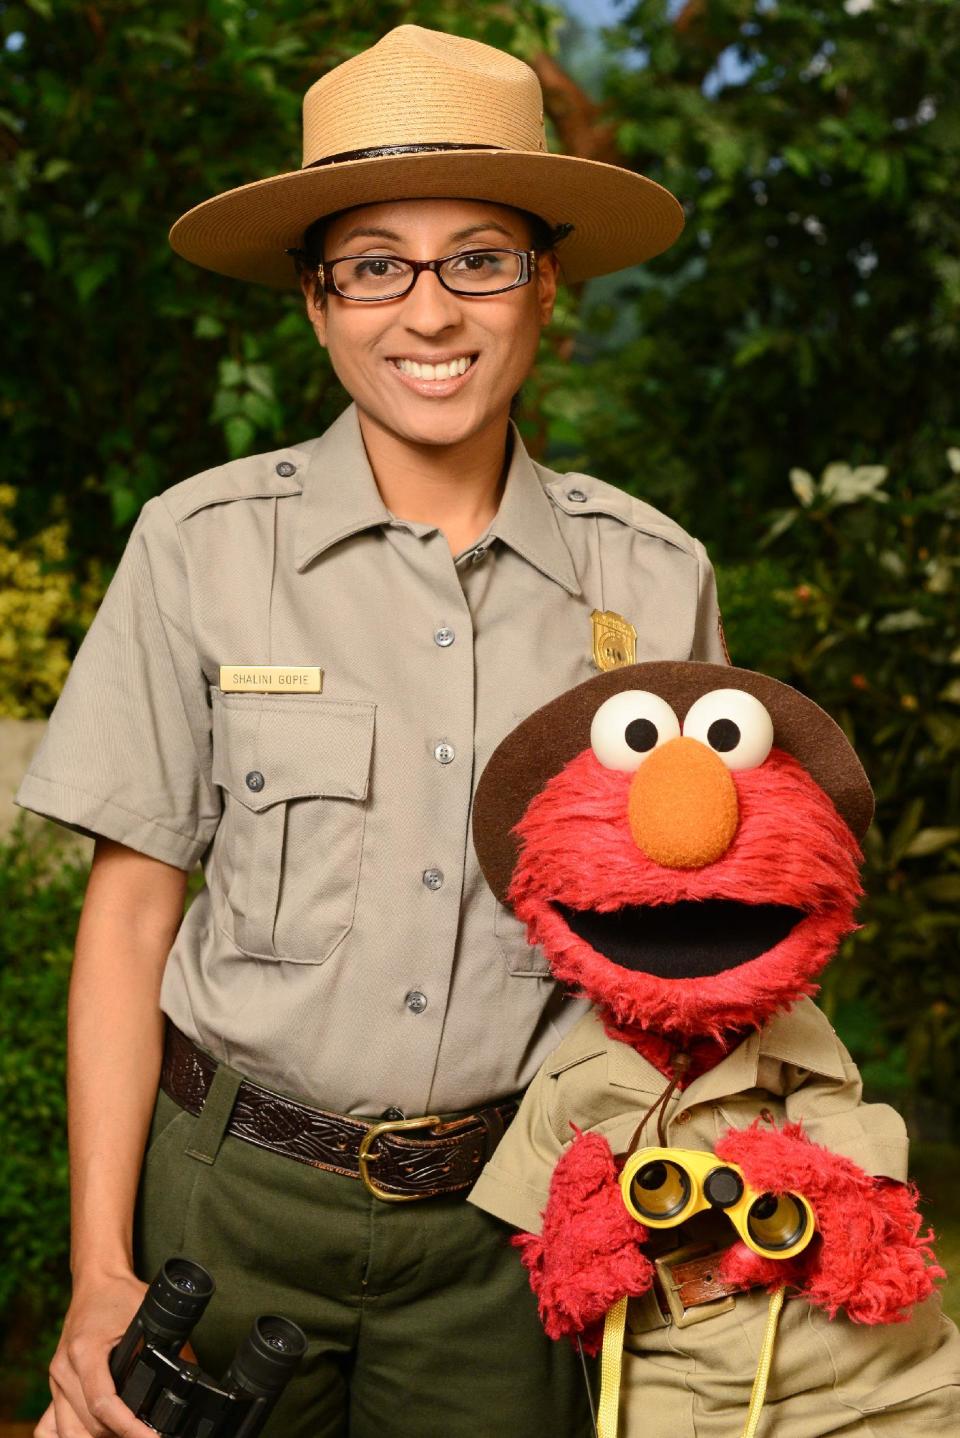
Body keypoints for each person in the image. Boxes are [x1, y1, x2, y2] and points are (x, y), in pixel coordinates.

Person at [16, 24, 728, 1438]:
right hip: (224, 1204)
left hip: (505, 1227)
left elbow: (681, 952)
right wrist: (101, 1272)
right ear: (316, 299)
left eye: (478, 257)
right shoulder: (200, 546)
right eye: (375, 265)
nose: (430, 312)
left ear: (545, 281)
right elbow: (129, 920)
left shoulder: (654, 581)